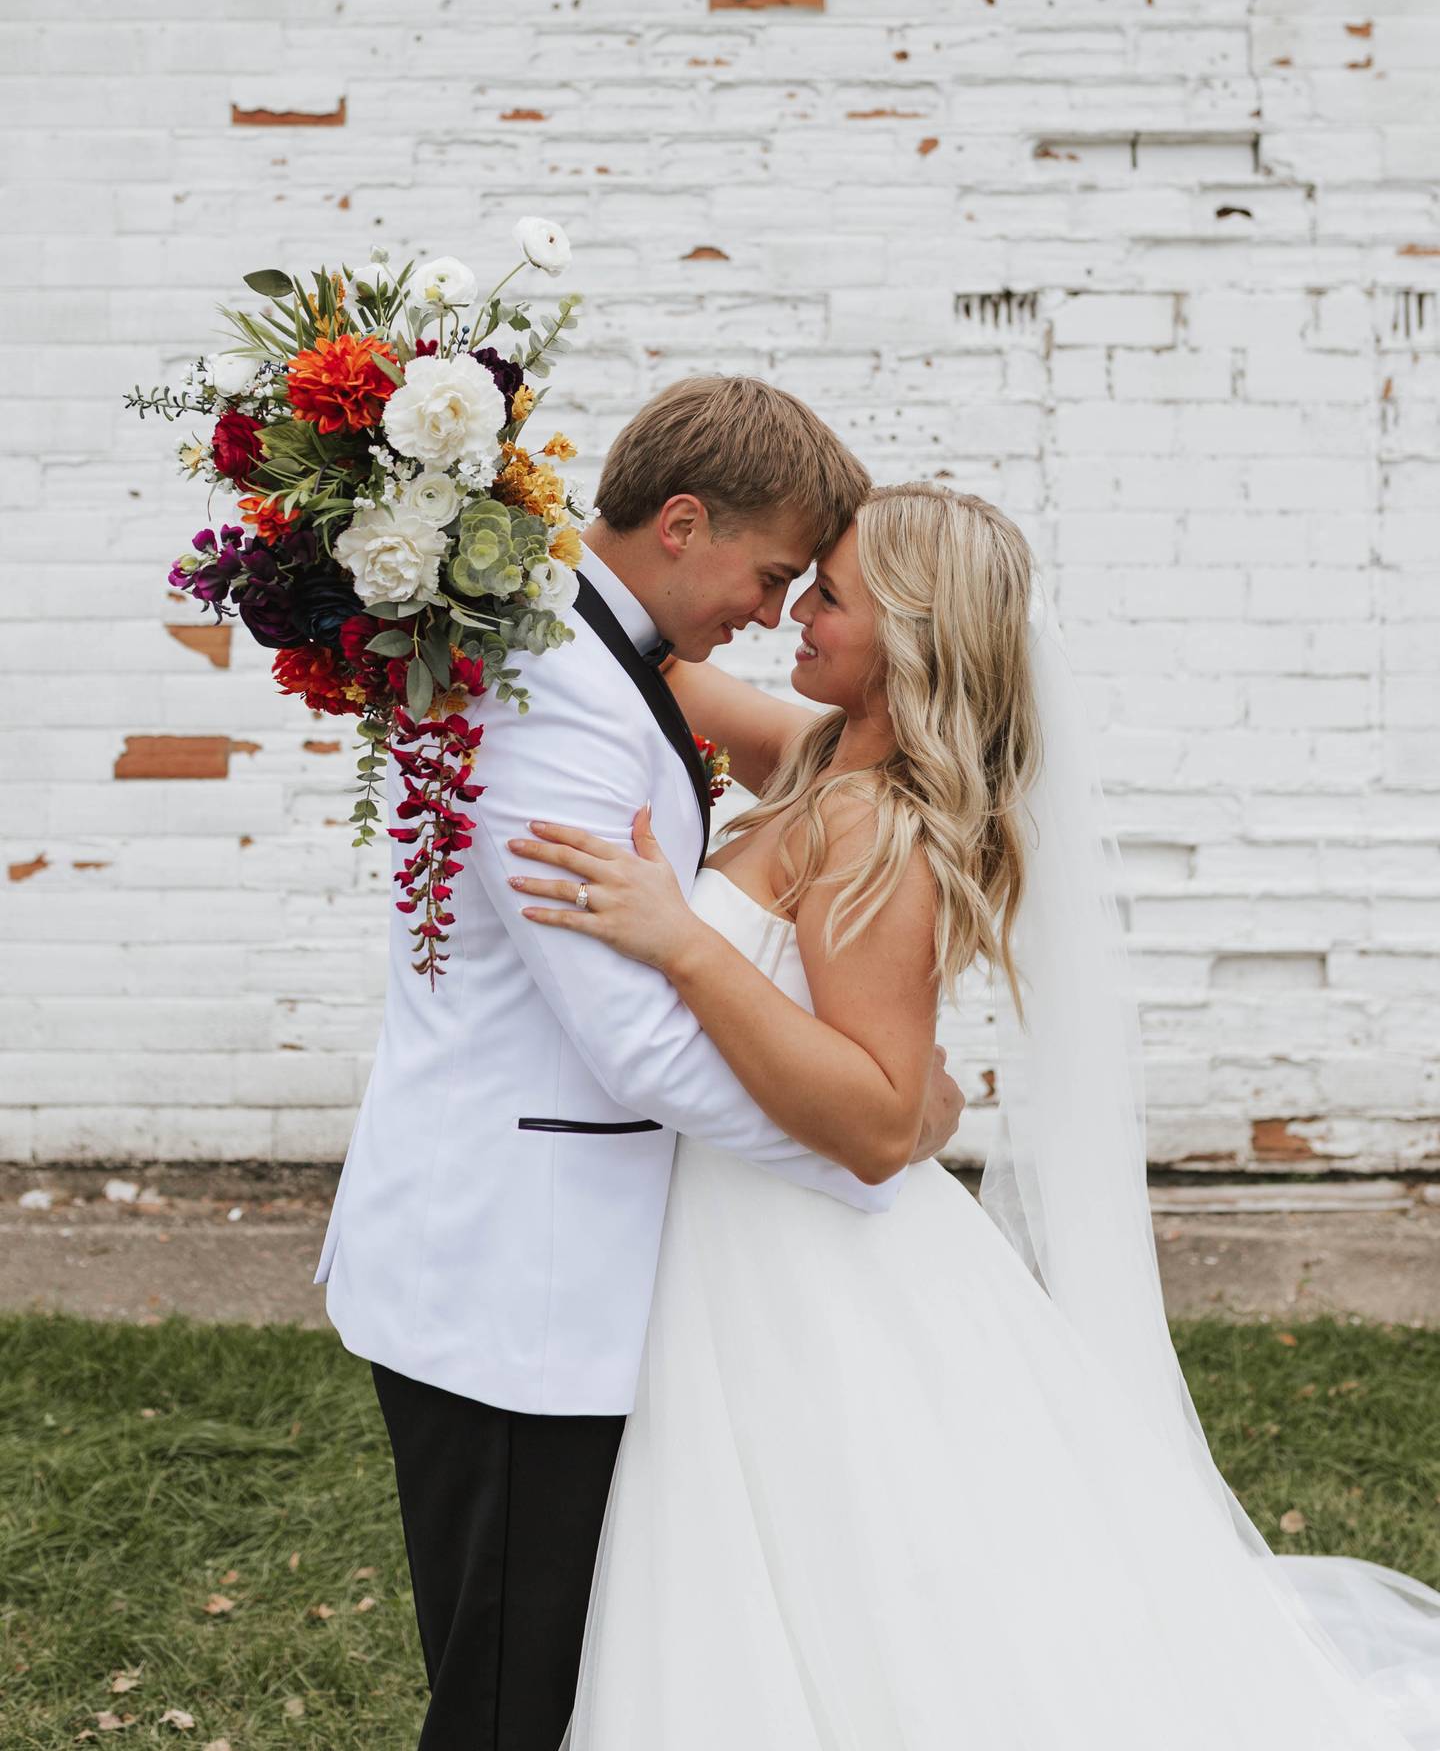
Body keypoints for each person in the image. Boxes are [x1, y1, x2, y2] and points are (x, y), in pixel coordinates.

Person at [509, 481, 1440, 1749]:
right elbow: (633, 669)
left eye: (825, 598)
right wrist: (467, 547)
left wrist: (682, 941)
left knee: (870, 1600)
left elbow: (886, 1115)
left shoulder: (876, 827)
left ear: (906, 635)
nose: (794, 614)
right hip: (734, 1234)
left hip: (807, 1258)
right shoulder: (818, 754)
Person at [311, 380, 965, 1750]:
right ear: (682, 524)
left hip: (550, 1264)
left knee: (558, 1675)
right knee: (509, 1700)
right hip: (516, 1282)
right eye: (776, 574)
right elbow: (641, 1044)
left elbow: (771, 740)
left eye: (814, 595)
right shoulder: (561, 698)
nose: (777, 613)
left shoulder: (595, 650)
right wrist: (876, 1145)